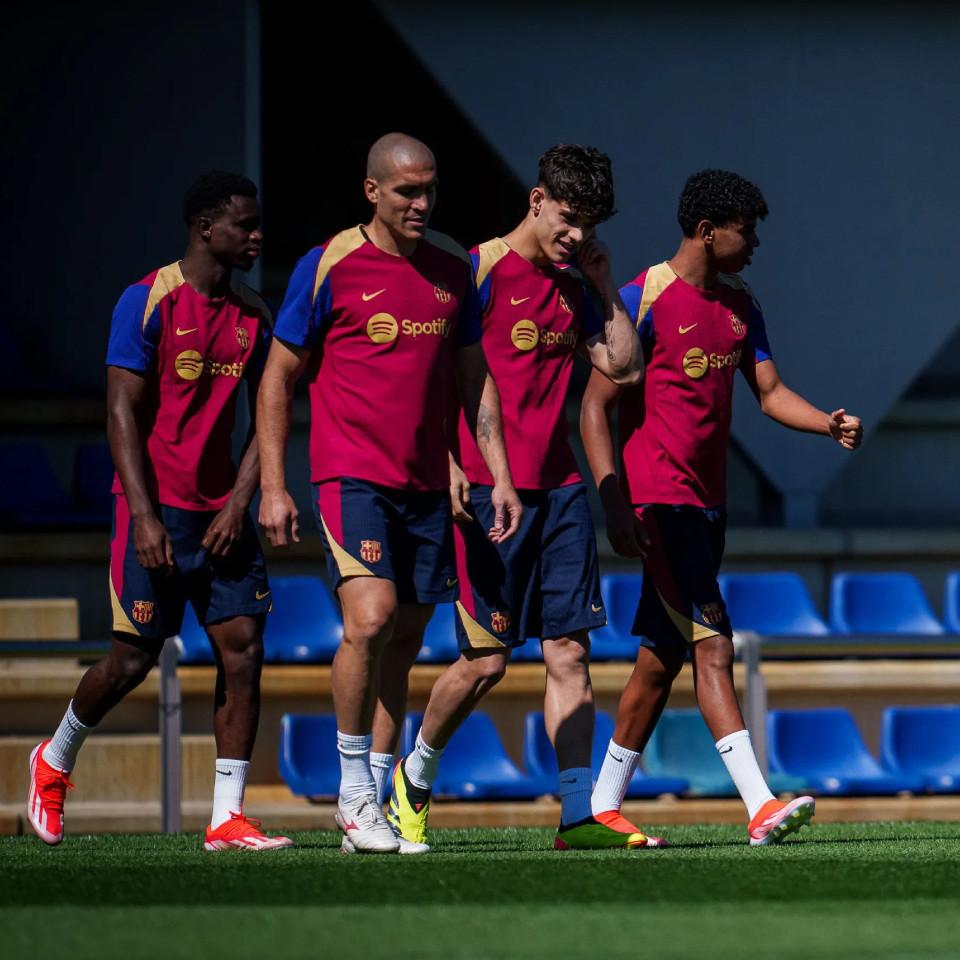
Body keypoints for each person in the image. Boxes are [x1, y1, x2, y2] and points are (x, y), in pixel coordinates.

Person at [581, 169, 862, 846]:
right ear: (708, 231)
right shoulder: (639, 298)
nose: (757, 242)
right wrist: (614, 499)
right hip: (657, 504)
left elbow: (769, 393)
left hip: (707, 508)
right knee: (715, 641)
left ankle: (599, 805)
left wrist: (825, 422)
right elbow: (594, 407)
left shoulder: (741, 305)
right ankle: (761, 806)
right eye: (748, 228)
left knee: (660, 657)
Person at [256, 134, 521, 854]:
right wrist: (274, 485)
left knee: (404, 639)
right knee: (368, 620)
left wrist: (492, 469)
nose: (421, 203)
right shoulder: (327, 266)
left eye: (430, 189)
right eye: (407, 191)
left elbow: (474, 381)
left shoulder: (449, 271)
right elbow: (277, 378)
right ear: (371, 190)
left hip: (428, 483)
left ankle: (373, 804)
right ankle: (350, 797)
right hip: (350, 474)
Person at [385, 144, 644, 852]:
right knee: (487, 662)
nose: (577, 235)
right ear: (537, 199)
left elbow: (624, 366)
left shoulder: (577, 279)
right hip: (484, 491)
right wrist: (445, 465)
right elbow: (430, 378)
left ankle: (575, 815)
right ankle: (415, 774)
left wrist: (603, 282)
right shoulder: (478, 269)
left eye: (589, 224)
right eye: (568, 219)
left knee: (569, 652)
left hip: (559, 490)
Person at [27, 171, 289, 851]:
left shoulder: (256, 315)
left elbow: (268, 419)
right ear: (206, 227)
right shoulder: (145, 301)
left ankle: (226, 816)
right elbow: (118, 411)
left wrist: (240, 500)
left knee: (243, 651)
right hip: (155, 509)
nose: (257, 236)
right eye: (245, 224)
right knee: (131, 659)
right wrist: (143, 516)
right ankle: (53, 761)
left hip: (222, 514)